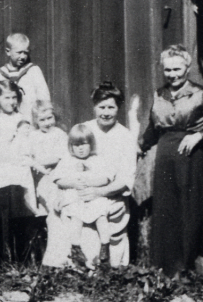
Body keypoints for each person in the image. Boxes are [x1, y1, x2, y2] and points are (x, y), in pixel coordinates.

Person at [139, 45, 203, 276]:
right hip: (166, 160)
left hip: (194, 160)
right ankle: (172, 269)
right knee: (169, 211)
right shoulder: (158, 95)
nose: (173, 74)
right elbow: (152, 130)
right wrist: (139, 147)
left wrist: (199, 135)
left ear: (187, 68)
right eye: (168, 70)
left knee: (194, 210)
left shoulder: (201, 94)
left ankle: (200, 267)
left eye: (177, 69)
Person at [41, 81, 136, 268]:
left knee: (98, 211)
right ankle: (64, 265)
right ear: (94, 107)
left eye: (111, 107)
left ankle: (102, 262)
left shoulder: (125, 137)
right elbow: (66, 164)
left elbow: (125, 180)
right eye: (101, 107)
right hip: (78, 189)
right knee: (58, 209)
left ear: (119, 108)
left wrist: (99, 192)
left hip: (109, 191)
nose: (106, 112)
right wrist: (63, 191)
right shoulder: (84, 129)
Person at [50, 124, 115, 268]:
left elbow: (107, 178)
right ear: (71, 146)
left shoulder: (97, 159)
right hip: (76, 196)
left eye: (84, 144)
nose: (80, 148)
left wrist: (93, 183)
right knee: (75, 215)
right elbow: (58, 179)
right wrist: (73, 183)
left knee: (101, 215)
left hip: (93, 195)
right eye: (76, 144)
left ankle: (105, 246)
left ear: (91, 144)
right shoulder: (67, 160)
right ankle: (76, 247)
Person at [0, 33, 51, 118]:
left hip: (31, 119)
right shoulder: (0, 75)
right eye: (19, 52)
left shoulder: (34, 71)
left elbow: (44, 98)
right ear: (8, 52)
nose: (23, 56)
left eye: (26, 53)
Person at [0, 79, 29, 160]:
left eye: (14, 97)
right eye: (7, 98)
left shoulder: (21, 118)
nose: (11, 102)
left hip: (18, 161)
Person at [27, 103, 68, 177]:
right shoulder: (33, 135)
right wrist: (36, 165)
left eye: (49, 118)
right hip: (38, 170)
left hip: (57, 169)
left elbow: (60, 157)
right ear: (36, 121)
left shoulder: (60, 134)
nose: (47, 123)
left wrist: (39, 162)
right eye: (42, 120)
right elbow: (29, 154)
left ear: (54, 117)